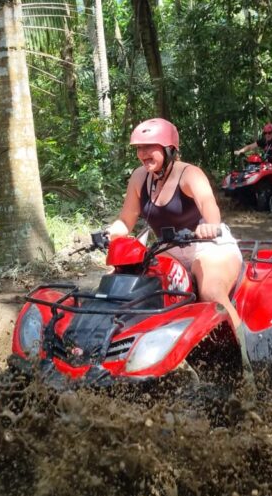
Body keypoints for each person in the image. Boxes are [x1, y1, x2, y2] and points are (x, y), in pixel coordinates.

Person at [107, 117, 252, 376]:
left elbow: (210, 206)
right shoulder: (140, 178)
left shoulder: (189, 174)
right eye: (139, 149)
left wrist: (210, 225)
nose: (143, 154)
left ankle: (245, 362)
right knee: (121, 287)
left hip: (208, 245)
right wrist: (109, 233)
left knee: (211, 291)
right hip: (167, 250)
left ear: (168, 148)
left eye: (149, 147)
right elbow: (126, 220)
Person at [235, 121, 272, 194]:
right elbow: (250, 146)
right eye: (265, 133)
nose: (267, 135)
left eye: (269, 133)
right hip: (271, 163)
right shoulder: (264, 141)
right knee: (255, 171)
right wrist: (240, 151)